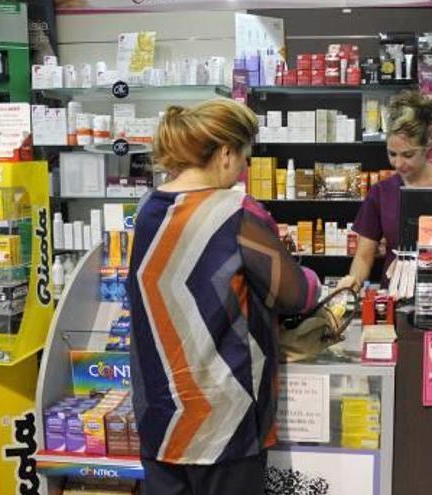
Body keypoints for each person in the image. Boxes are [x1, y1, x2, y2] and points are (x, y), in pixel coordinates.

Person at [126, 100, 321, 495]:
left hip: (160, 419)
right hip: (224, 424)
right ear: (226, 152)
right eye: (245, 156)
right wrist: (314, 279)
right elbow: (296, 295)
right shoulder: (235, 211)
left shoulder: (148, 208)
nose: (245, 169)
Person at [338, 90, 432, 290]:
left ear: (429, 141)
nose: (398, 163)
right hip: (396, 295)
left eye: (408, 154)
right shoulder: (381, 193)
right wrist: (353, 282)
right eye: (392, 154)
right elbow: (364, 256)